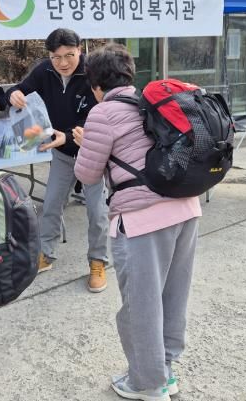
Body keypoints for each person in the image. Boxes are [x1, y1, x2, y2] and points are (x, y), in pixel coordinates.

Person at [74, 44, 201, 401]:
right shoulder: (150, 101)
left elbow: (87, 174)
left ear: (95, 83)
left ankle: (148, 383)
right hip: (186, 208)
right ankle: (165, 370)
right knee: (173, 297)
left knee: (141, 305)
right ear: (128, 73)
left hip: (144, 218)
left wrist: (85, 143)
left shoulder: (102, 113)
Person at [6, 28, 109, 293]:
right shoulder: (44, 71)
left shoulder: (94, 72)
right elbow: (21, 89)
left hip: (91, 152)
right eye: (56, 57)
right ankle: (46, 253)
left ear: (80, 50)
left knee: (97, 212)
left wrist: (74, 135)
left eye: (69, 55)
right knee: (51, 204)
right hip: (61, 154)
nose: (63, 63)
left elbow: (104, 111)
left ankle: (98, 261)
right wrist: (13, 94)